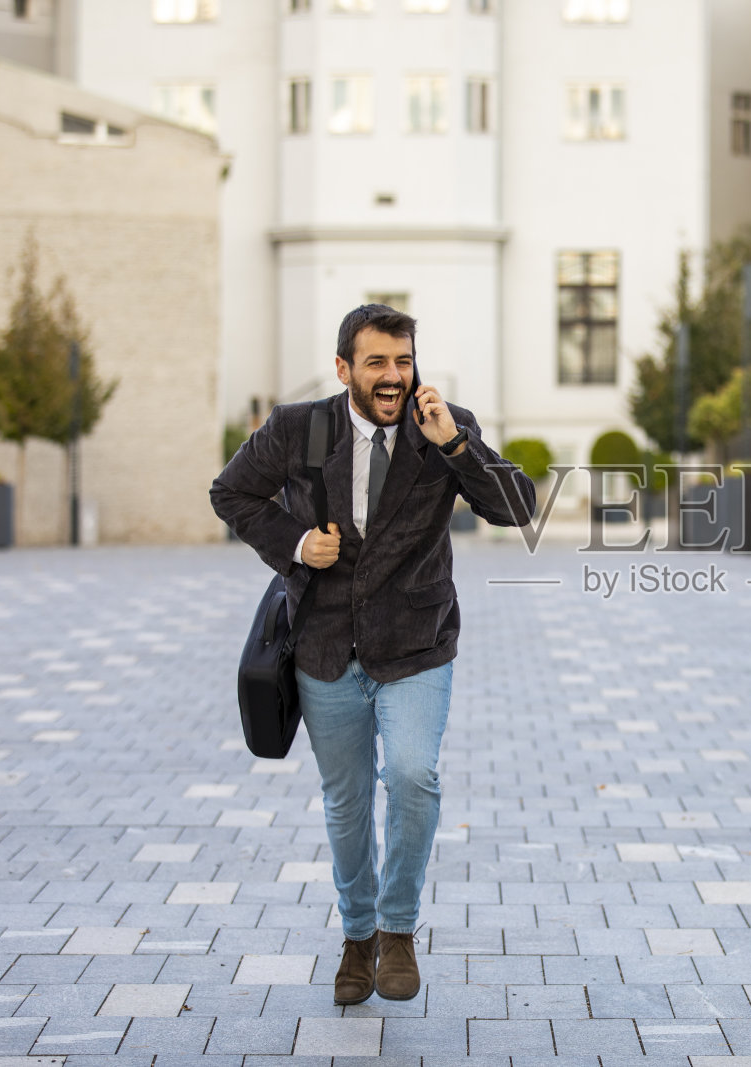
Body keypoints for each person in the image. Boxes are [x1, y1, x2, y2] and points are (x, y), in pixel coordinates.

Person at [210, 304, 535, 1004]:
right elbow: (231, 491)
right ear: (344, 368)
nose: (393, 377)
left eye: (403, 360)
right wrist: (297, 544)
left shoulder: (442, 424)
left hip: (416, 643)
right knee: (348, 800)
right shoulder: (300, 428)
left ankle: (397, 930)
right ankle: (356, 938)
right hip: (325, 649)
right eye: (377, 362)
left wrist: (455, 446)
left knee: (414, 776)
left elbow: (517, 507)